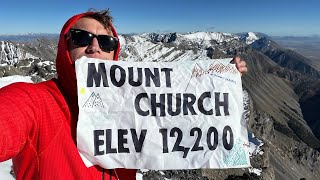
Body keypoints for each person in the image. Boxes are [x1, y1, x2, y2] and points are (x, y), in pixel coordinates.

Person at [0, 9, 247, 180]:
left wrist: (217, 79)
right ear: (65, 47)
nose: (95, 47)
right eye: (82, 37)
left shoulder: (129, 101)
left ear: (114, 53)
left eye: (106, 42)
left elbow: (178, 114)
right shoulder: (36, 100)